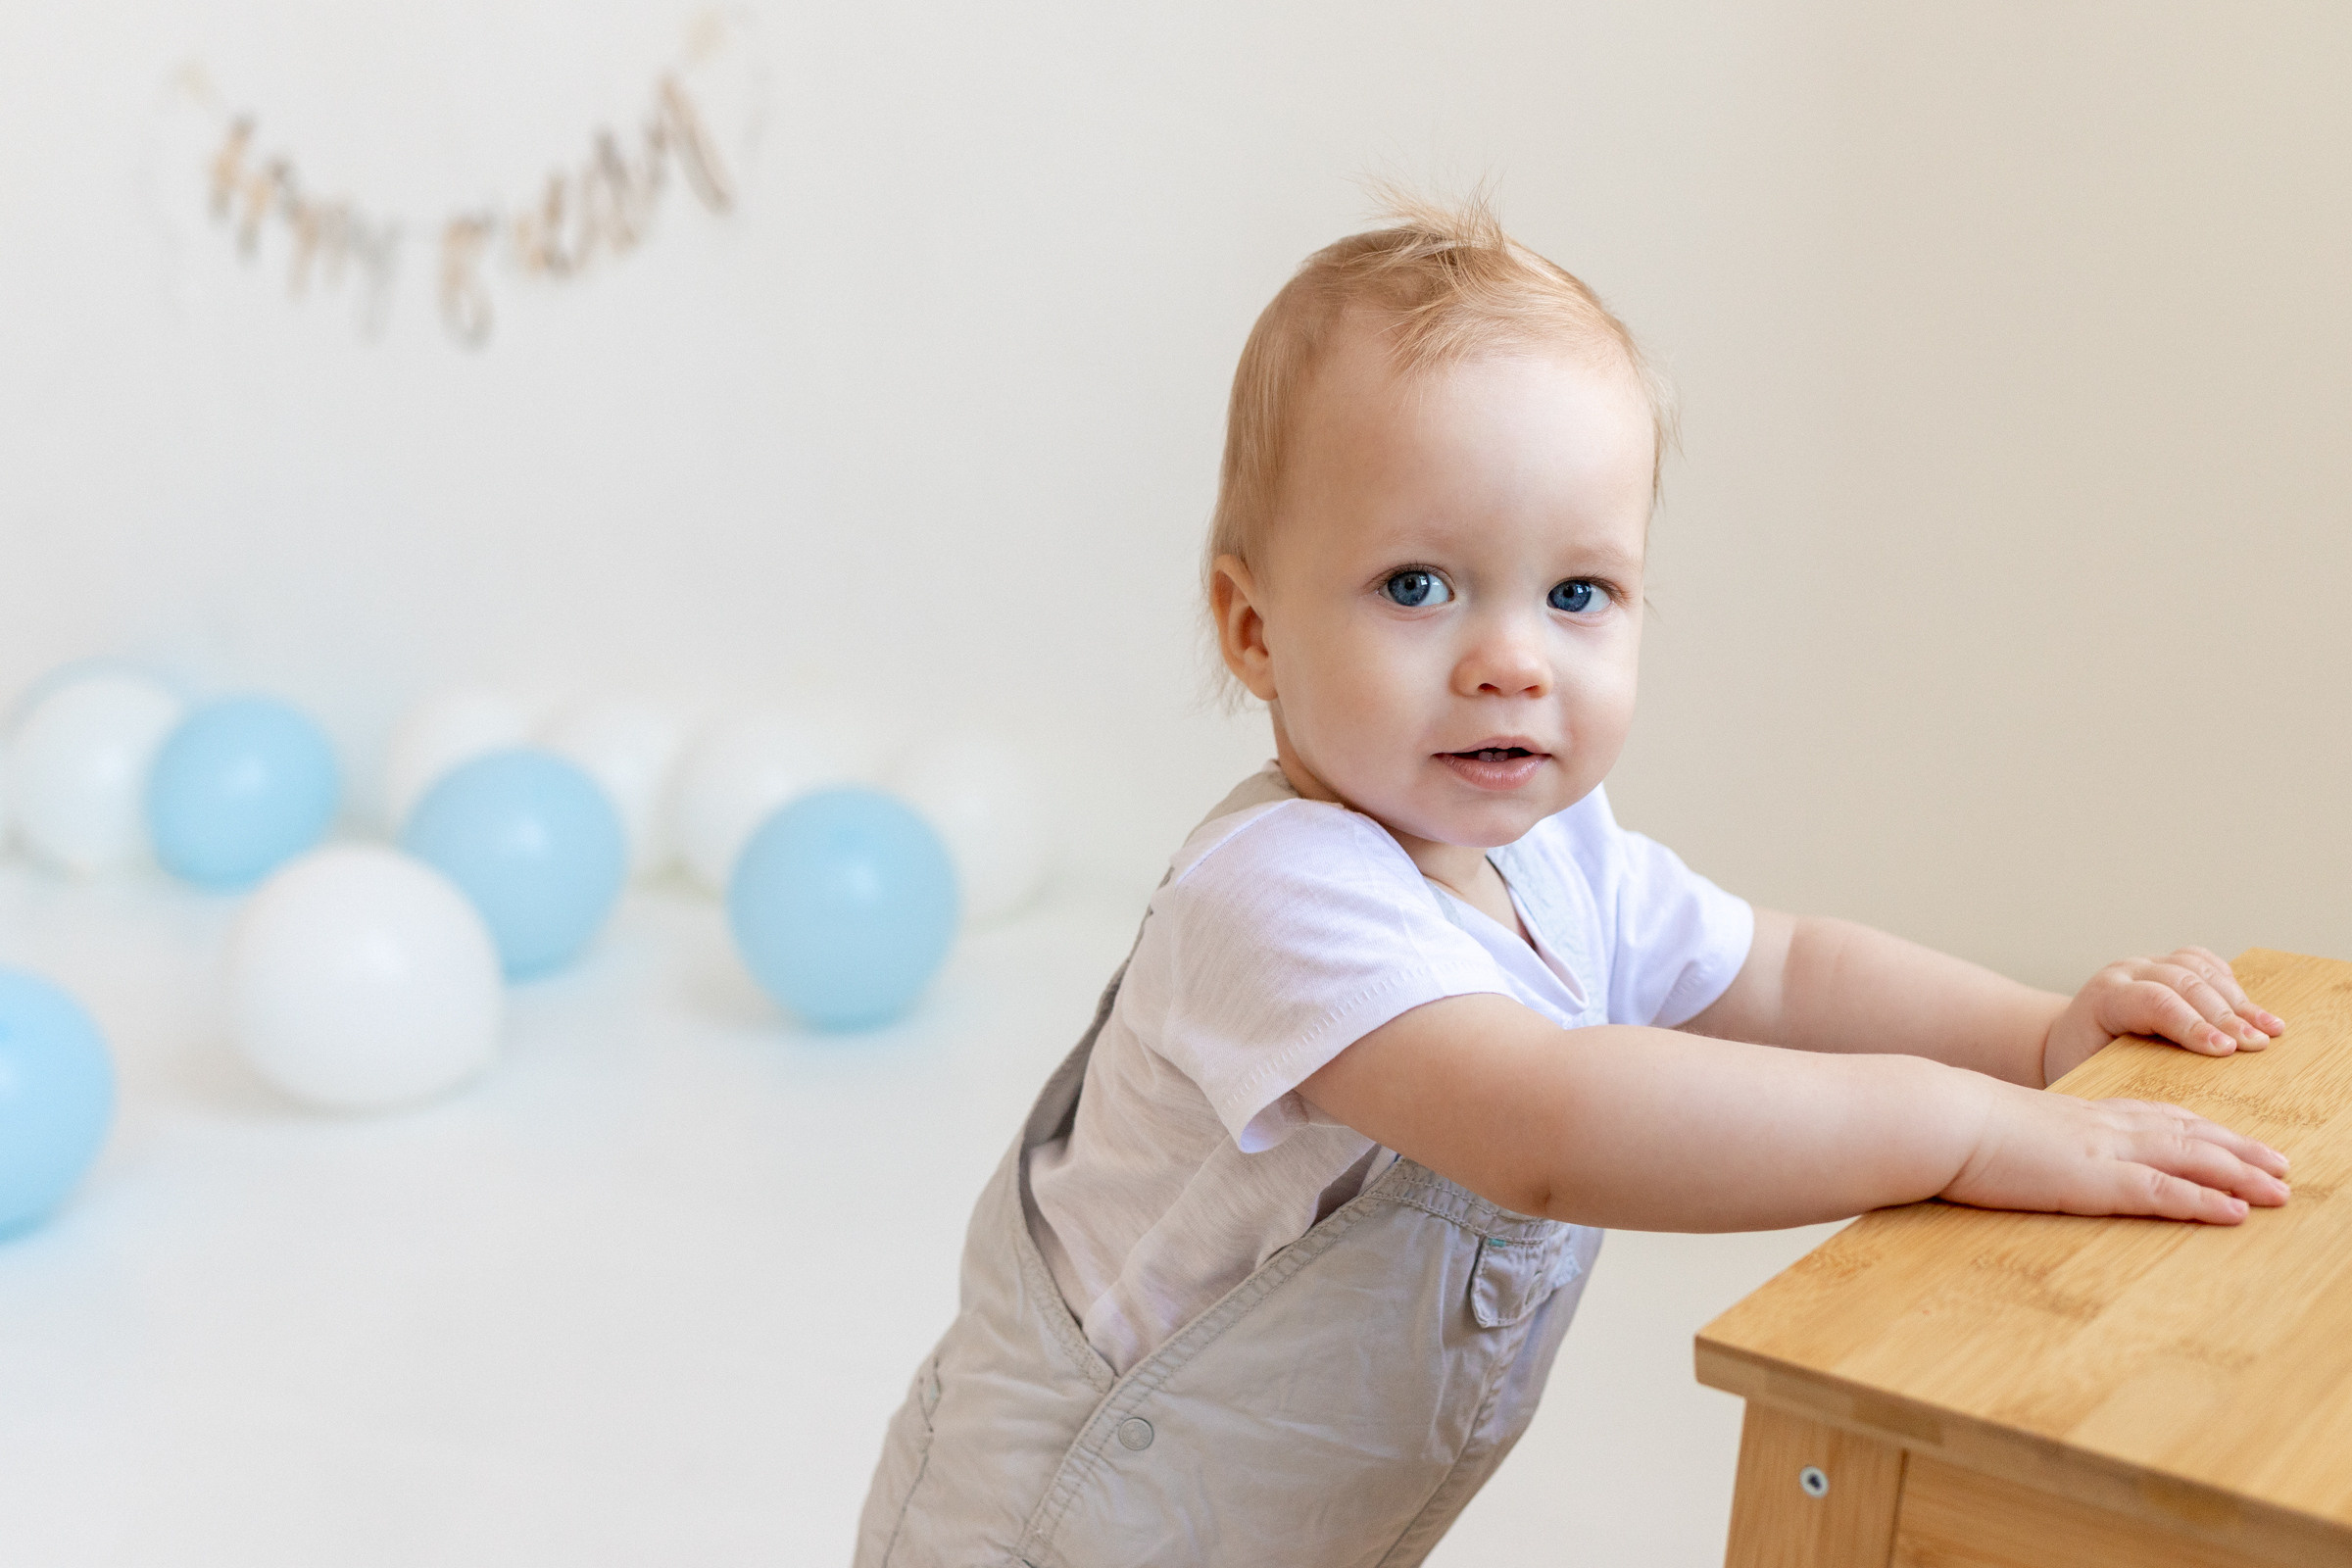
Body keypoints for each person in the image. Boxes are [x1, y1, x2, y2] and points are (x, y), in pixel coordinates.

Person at [853, 194, 2291, 1567]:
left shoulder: (1555, 854)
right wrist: (1960, 1133)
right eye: (1419, 585)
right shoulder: (1275, 894)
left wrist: (2037, 1038)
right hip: (1057, 1537)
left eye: (1577, 593)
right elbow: (1549, 1120)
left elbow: (1778, 971)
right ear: (1253, 630)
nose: (1511, 657)